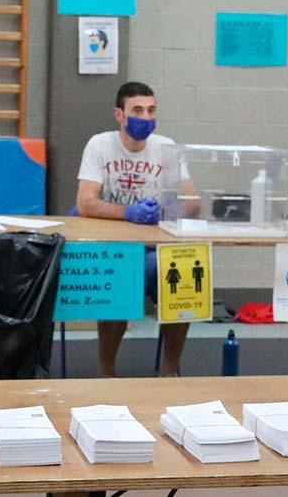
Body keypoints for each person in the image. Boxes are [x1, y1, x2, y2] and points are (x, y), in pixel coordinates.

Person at [76, 81, 194, 377]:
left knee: (181, 275)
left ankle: (169, 372)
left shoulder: (166, 147)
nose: (146, 117)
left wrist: (165, 211)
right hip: (116, 246)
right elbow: (86, 203)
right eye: (138, 110)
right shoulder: (100, 145)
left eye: (152, 110)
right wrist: (128, 212)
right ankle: (107, 371)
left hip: (155, 247)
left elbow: (193, 203)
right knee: (120, 273)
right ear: (120, 114)